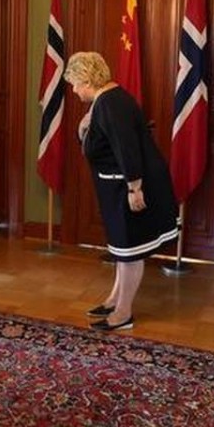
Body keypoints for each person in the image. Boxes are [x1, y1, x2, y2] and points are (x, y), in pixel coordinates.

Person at [64, 51, 178, 331]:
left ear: (87, 78)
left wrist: (134, 188)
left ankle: (123, 314)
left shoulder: (110, 104)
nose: (75, 90)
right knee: (121, 249)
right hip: (114, 185)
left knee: (130, 251)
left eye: (76, 83)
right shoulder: (107, 100)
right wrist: (84, 128)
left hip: (127, 186)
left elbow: (126, 148)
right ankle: (115, 299)